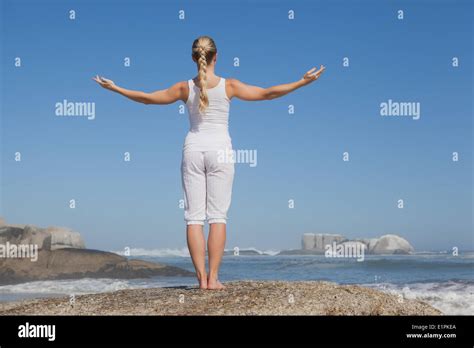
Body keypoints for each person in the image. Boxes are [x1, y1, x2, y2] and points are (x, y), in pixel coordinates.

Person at [93, 35, 325, 290]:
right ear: (216, 56)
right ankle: (213, 279)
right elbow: (268, 94)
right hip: (221, 152)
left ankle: (201, 279)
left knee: (193, 218)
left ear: (194, 58)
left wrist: (115, 88)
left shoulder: (184, 88)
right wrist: (302, 82)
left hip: (192, 150)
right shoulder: (229, 85)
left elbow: (148, 98)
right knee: (218, 217)